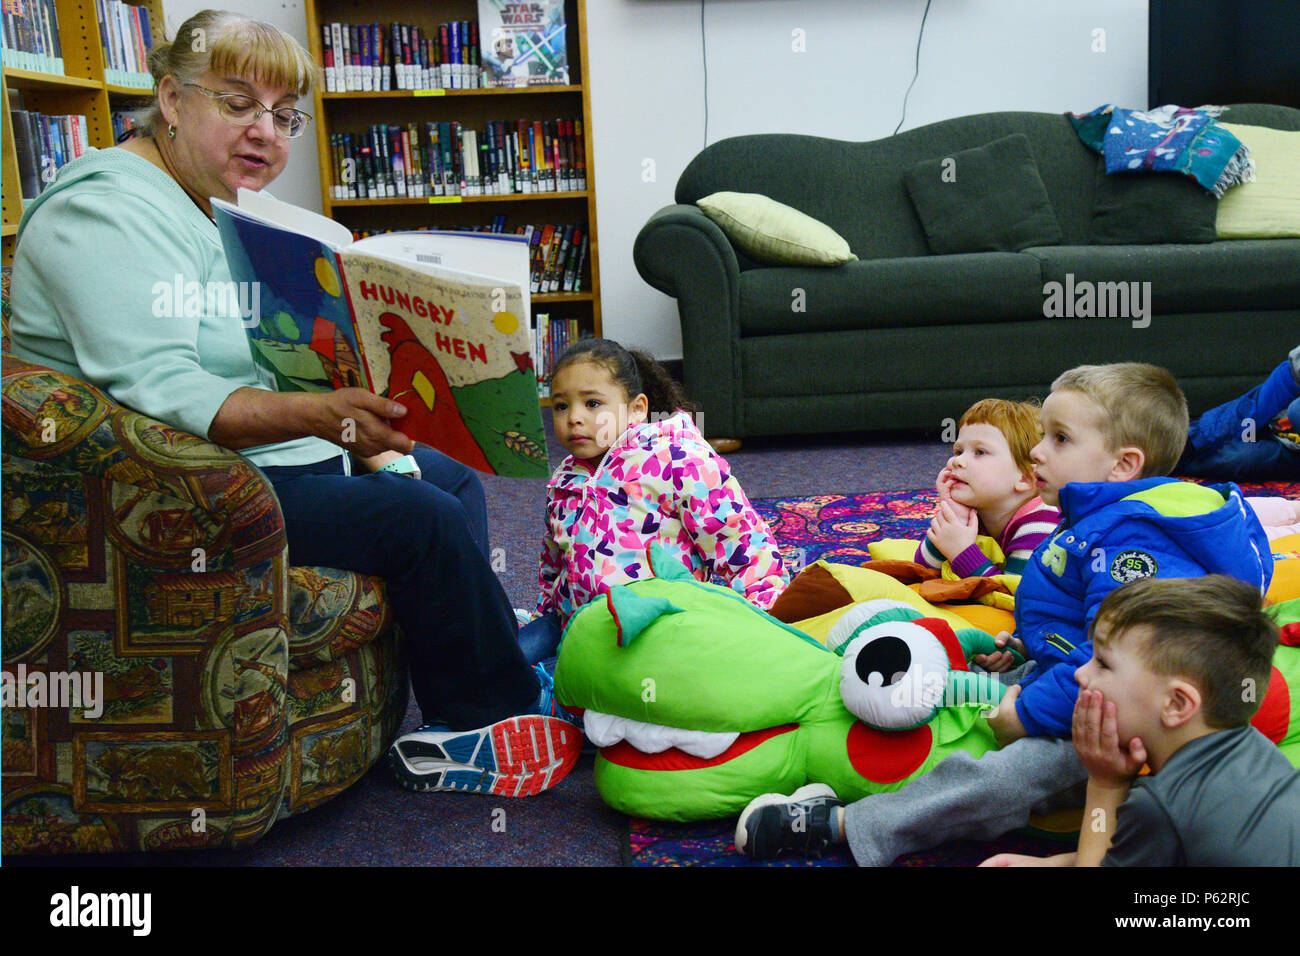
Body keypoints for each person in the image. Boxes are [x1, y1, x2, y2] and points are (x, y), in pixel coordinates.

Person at [7, 9, 580, 798]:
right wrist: (329, 419)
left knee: (446, 479)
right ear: (171, 99)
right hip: (166, 487)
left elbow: (262, 354)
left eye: (283, 117)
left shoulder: (218, 204)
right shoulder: (104, 210)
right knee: (422, 520)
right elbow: (173, 395)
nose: (265, 133)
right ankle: (498, 715)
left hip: (243, 453)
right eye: (237, 104)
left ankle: (469, 684)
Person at [734, 362, 1274, 863]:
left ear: (1122, 464)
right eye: (1043, 434)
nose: (1037, 452)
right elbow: (1073, 617)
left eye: (1059, 439)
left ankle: (850, 823)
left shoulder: (1135, 541)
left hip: (1109, 714)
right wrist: (1026, 644)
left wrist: (1029, 714)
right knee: (938, 676)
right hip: (1069, 674)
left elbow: (1116, 659)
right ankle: (825, 733)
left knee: (1003, 777)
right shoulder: (1098, 511)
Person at [981, 576, 1300, 867]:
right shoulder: (1255, 748)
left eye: (1103, 663)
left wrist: (1106, 785)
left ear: (1176, 704)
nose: (1080, 673)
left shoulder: (1159, 805)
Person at [517, 338, 788, 664]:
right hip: (578, 628)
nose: (574, 417)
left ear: (637, 409)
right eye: (561, 405)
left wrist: (764, 620)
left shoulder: (677, 459)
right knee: (500, 669)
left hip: (662, 629)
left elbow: (741, 540)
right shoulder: (563, 480)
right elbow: (554, 565)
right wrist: (547, 611)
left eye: (592, 404)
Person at [917, 398, 1061, 578]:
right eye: (959, 451)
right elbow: (922, 571)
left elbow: (1014, 597)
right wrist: (953, 512)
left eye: (980, 452)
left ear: (1025, 478)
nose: (956, 461)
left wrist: (962, 553)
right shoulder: (979, 506)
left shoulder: (1041, 523)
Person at [1176, 344, 1300, 482]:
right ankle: (1171, 448)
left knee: (1233, 459)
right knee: (1223, 425)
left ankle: (1169, 461)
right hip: (1279, 422)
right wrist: (1192, 440)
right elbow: (1283, 382)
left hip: (1291, 452)